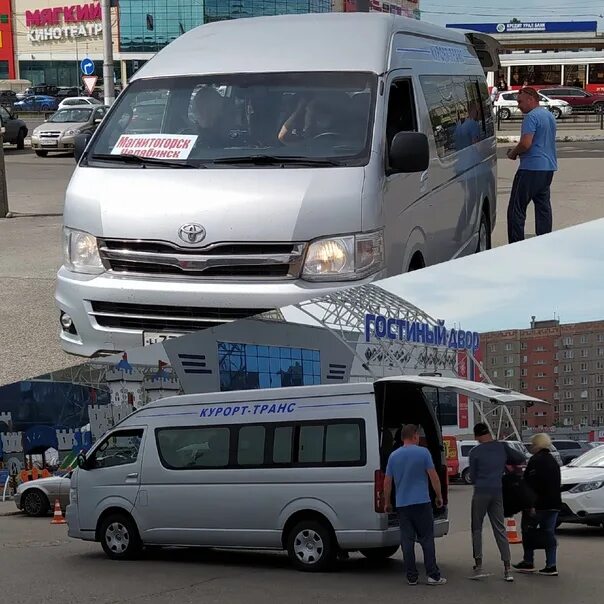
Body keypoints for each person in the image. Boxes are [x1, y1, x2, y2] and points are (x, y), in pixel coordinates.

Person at [383, 424, 447, 586]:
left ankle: (412, 577)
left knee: (407, 540)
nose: (419, 438)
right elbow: (434, 477)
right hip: (422, 503)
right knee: (426, 539)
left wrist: (387, 502)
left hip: (403, 505)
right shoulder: (423, 453)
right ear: (414, 436)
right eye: (418, 435)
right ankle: (433, 575)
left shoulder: (393, 456)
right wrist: (439, 496)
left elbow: (387, 482)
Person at [468, 423, 525, 582]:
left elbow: (472, 476)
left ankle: (478, 565)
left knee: (477, 527)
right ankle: (507, 569)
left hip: (481, 491)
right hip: (497, 491)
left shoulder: (475, 452)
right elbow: (520, 457)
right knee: (500, 528)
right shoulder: (502, 447)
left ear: (477, 435)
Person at [506, 86, 558, 244]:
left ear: (531, 99)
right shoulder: (549, 115)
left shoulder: (531, 117)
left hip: (530, 168)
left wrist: (513, 153)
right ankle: (544, 241)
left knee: (516, 209)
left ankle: (516, 245)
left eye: (520, 101)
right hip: (548, 168)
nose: (518, 105)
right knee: (543, 207)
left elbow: (526, 143)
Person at [513, 433, 562, 576]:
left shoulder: (536, 461)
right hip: (554, 504)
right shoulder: (553, 461)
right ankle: (551, 565)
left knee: (528, 531)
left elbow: (532, 484)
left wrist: (530, 504)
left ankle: (528, 561)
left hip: (539, 505)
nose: (531, 447)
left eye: (532, 445)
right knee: (549, 534)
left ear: (537, 445)